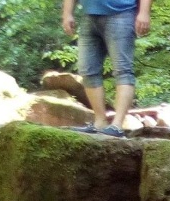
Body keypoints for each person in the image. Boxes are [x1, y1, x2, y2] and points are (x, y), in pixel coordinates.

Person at [61, 0, 151, 136]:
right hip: (89, 16)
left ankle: (117, 126)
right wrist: (67, 14)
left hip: (122, 14)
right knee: (88, 70)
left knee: (123, 70)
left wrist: (144, 12)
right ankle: (99, 122)